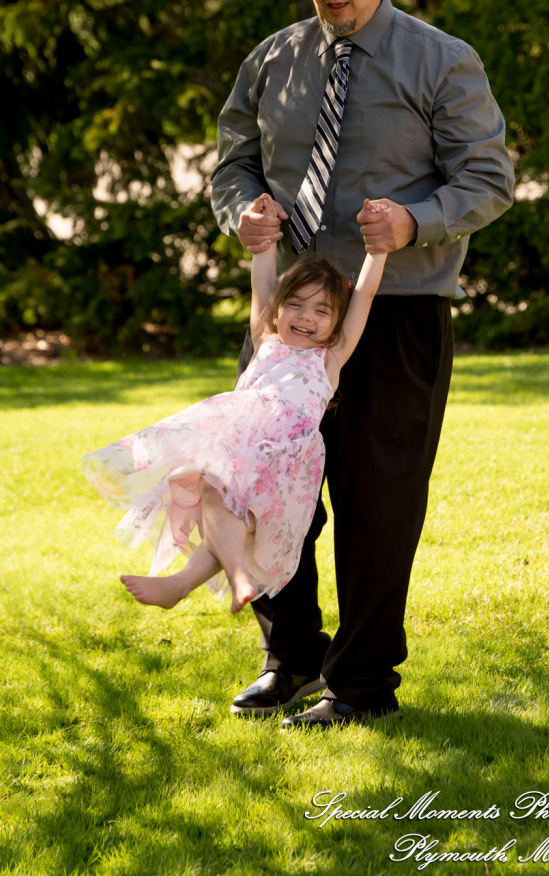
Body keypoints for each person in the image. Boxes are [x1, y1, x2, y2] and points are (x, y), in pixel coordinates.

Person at [211, 0, 516, 727]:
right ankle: (290, 659)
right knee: (262, 491)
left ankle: (361, 685)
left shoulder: (441, 60)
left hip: (397, 315)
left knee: (377, 505)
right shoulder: (273, 60)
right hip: (287, 324)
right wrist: (241, 212)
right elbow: (233, 163)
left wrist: (415, 221)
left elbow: (487, 178)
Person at [82, 195, 387, 616]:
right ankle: (198, 581)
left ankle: (217, 576)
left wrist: (378, 250)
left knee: (223, 497)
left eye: (322, 311)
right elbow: (262, 285)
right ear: (278, 310)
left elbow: (365, 294)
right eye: (295, 305)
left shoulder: (330, 357)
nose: (306, 317)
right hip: (241, 442)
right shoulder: (266, 340)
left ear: (335, 322)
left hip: (286, 454)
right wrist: (264, 240)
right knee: (218, 497)